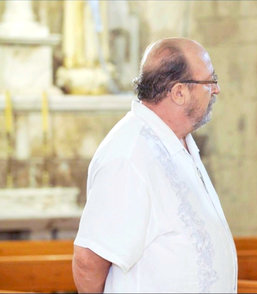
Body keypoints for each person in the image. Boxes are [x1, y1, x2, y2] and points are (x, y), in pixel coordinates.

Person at [72, 38, 237, 293]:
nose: (216, 90)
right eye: (210, 81)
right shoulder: (129, 155)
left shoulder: (176, 140)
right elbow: (88, 261)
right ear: (179, 92)